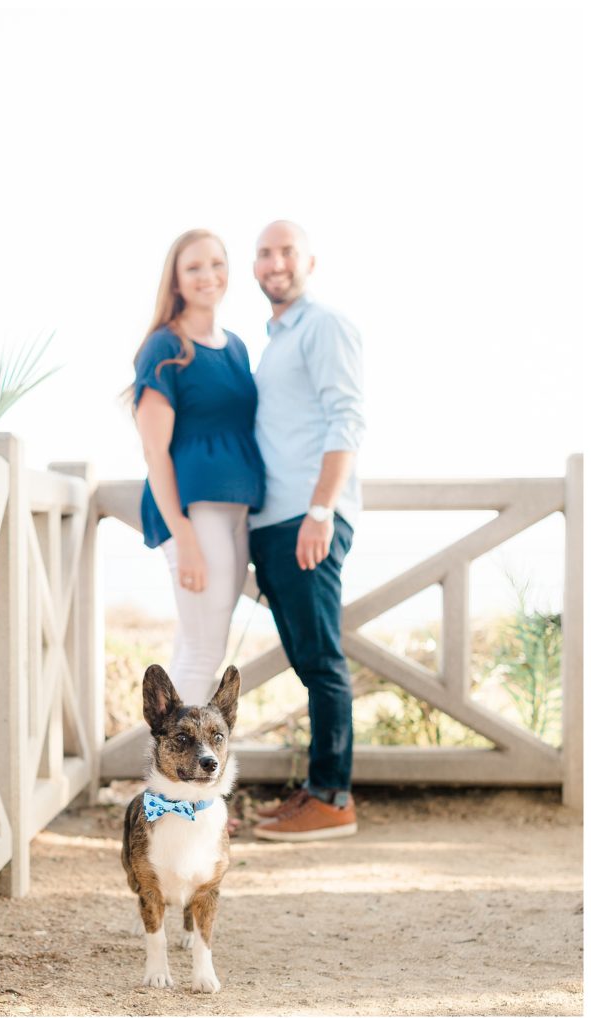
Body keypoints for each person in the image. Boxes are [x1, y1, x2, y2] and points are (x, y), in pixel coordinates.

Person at [249, 220, 365, 841]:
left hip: (307, 519)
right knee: (305, 659)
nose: (275, 263)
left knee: (321, 661)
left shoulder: (323, 326)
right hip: (275, 523)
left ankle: (332, 797)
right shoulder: (274, 341)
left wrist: (321, 511)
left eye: (286, 251)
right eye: (264, 253)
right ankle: (314, 790)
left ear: (309, 261)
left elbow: (348, 419)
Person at [131, 229, 265, 707]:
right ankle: (177, 777)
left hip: (236, 512)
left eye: (216, 264)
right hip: (193, 512)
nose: (208, 275)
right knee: (204, 649)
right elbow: (155, 451)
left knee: (198, 643)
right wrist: (183, 534)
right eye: (194, 267)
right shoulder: (165, 346)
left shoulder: (236, 348)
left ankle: (167, 777)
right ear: (176, 280)